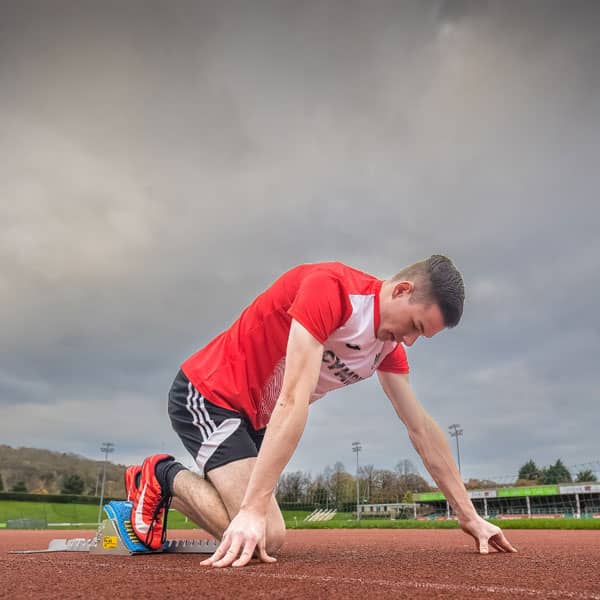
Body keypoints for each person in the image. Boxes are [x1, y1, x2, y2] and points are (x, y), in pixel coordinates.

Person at [125, 256, 517, 567]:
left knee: (260, 529)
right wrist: (252, 507)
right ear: (401, 289)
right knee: (265, 533)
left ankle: (176, 489)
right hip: (211, 393)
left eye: (421, 337)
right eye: (414, 325)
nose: (410, 342)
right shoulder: (330, 291)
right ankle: (159, 474)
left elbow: (421, 429)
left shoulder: (387, 348)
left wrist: (469, 516)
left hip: (256, 420)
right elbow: (293, 398)